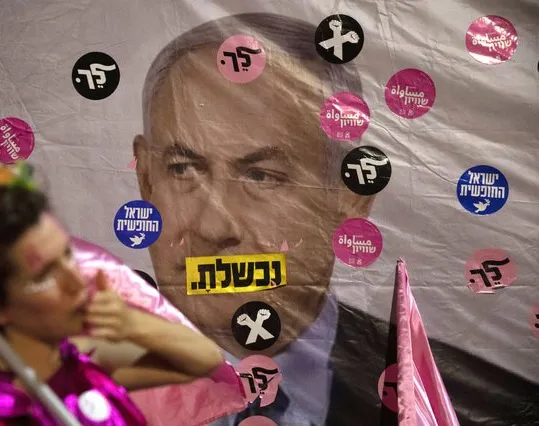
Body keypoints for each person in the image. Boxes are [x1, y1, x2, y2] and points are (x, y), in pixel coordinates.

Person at [133, 13, 539, 426]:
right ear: (146, 178)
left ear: (350, 198)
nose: (213, 228)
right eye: (182, 169)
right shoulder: (71, 376)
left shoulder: (484, 409)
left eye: (261, 176)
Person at [0, 159, 225, 425]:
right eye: (44, 276)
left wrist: (133, 324)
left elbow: (203, 360)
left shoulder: (73, 355)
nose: (77, 282)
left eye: (68, 256)